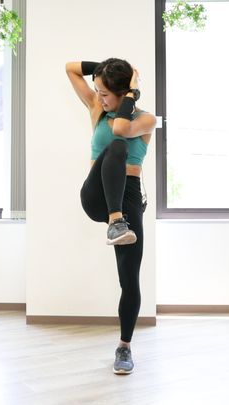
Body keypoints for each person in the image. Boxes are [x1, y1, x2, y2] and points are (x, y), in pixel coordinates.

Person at [65, 58, 157, 374]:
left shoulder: (147, 120)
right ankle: (115, 222)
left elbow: (121, 127)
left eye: (105, 93)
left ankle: (124, 347)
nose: (99, 98)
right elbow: (70, 68)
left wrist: (131, 90)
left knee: (129, 279)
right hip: (96, 196)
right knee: (116, 149)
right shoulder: (97, 109)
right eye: (98, 92)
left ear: (123, 93)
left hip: (129, 197)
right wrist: (108, 68)